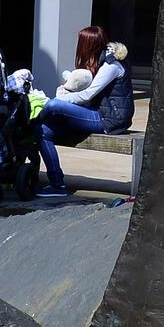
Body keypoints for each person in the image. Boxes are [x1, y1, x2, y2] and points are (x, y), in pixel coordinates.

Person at [35, 26, 132, 199]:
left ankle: (32, 120)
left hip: (110, 119)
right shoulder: (100, 61)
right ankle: (57, 184)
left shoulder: (111, 65)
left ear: (89, 45)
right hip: (96, 112)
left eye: (81, 43)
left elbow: (87, 95)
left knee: (53, 106)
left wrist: (54, 101)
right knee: (42, 131)